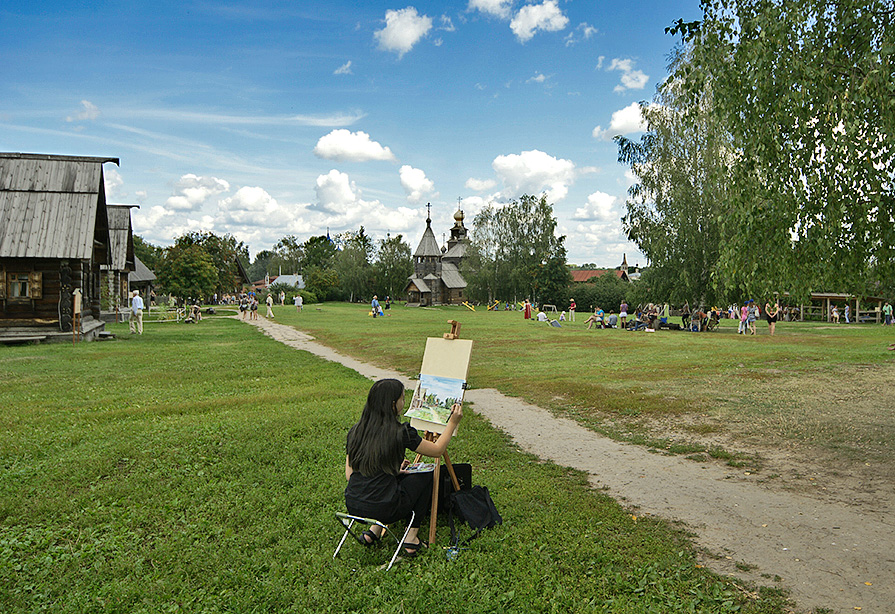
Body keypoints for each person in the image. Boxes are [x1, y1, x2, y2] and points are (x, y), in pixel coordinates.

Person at [344, 379, 462, 558]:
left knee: (394, 480)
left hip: (353, 505)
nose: (404, 402)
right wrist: (452, 423)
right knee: (425, 474)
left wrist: (392, 471)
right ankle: (411, 538)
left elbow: (350, 475)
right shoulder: (401, 432)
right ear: (393, 405)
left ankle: (372, 532)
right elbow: (437, 451)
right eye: (402, 398)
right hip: (386, 508)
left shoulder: (356, 431)